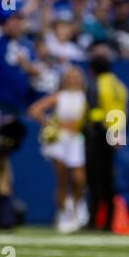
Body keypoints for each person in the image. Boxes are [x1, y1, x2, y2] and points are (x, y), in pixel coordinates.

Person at [28, 66, 87, 234]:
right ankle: (62, 215)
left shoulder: (86, 97)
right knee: (62, 180)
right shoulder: (59, 96)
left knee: (79, 180)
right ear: (64, 80)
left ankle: (76, 211)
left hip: (77, 140)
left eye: (76, 77)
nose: (73, 80)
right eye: (70, 77)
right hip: (60, 140)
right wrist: (51, 124)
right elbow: (34, 110)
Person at [85, 54, 128, 231]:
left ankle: (93, 221)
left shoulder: (95, 84)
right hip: (116, 133)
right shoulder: (119, 85)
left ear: (92, 69)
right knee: (109, 180)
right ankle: (109, 222)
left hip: (98, 134)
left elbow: (95, 112)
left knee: (94, 179)